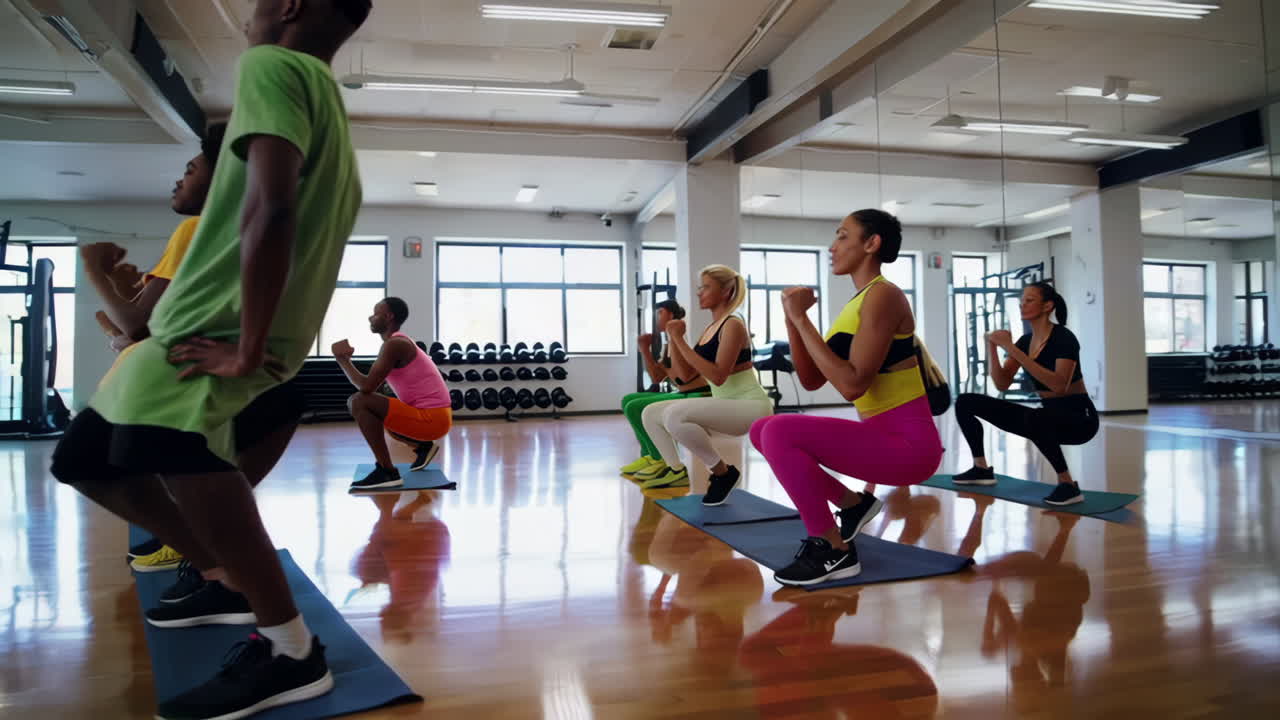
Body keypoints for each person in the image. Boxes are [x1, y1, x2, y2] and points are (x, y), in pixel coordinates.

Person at [49, 2, 370, 719]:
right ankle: (224, 576)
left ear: (288, 6)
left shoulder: (273, 65)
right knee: (85, 459)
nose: (250, 15)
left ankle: (292, 653)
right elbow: (268, 209)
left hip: (207, 335)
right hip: (194, 334)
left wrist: (250, 345)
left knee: (172, 453)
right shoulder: (325, 104)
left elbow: (272, 209)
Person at [750, 209, 944, 586]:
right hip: (881, 438)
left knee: (778, 431)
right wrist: (792, 318)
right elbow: (810, 379)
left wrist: (802, 319)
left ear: (872, 244)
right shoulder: (857, 304)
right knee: (762, 428)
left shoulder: (884, 295)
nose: (832, 246)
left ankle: (833, 549)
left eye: (842, 236)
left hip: (910, 447)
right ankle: (853, 505)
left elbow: (853, 385)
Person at [951, 281, 1098, 506]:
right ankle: (981, 469)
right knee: (965, 402)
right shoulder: (1025, 341)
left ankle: (1068, 485)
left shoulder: (1063, 337)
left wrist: (1010, 348)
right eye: (1021, 301)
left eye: (1029, 300)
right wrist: (992, 346)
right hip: (1047, 415)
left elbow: (1059, 385)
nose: (1022, 305)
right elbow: (1002, 383)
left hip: (1080, 419)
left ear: (1047, 306)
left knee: (1037, 419)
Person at [635, 265, 772, 503]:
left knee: (674, 415)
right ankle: (676, 471)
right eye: (700, 287)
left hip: (750, 406)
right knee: (650, 413)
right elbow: (685, 375)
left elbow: (718, 376)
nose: (699, 292)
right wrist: (673, 339)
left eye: (706, 287)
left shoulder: (733, 324)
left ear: (726, 291)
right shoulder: (710, 328)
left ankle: (722, 473)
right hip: (725, 404)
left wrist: (679, 340)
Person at [336, 297, 453, 490]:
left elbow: (366, 388)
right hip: (435, 417)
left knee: (358, 401)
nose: (370, 318)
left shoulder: (395, 344)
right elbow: (376, 388)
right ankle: (423, 446)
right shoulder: (398, 343)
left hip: (433, 419)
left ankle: (387, 472)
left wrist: (343, 360)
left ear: (388, 316)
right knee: (378, 412)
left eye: (375, 314)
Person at [620, 298, 711, 478]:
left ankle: (659, 459)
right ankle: (649, 456)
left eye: (659, 313)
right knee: (628, 400)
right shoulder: (668, 342)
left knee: (635, 406)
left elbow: (683, 376)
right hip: (682, 393)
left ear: (669, 314)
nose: (656, 318)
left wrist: (674, 337)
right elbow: (657, 377)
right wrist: (644, 349)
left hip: (698, 394)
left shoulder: (681, 337)